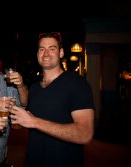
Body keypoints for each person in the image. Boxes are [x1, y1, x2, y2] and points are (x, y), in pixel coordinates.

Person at [10, 32, 95, 167]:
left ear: (61, 53)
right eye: (42, 49)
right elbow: (26, 104)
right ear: (37, 54)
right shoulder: (35, 87)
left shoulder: (77, 84)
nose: (46, 54)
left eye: (52, 49)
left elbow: (85, 134)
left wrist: (34, 122)